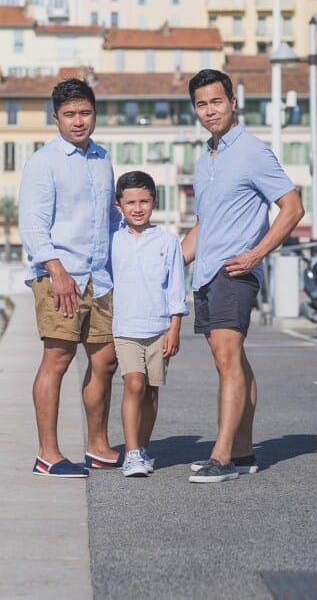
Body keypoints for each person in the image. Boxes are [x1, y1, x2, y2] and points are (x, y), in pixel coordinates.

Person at [182, 69, 305, 484]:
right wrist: (172, 262)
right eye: (201, 104)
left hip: (234, 271)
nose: (209, 110)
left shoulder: (253, 152)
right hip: (205, 272)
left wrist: (255, 254)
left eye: (217, 101)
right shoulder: (205, 160)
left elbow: (292, 207)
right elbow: (205, 223)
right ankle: (245, 450)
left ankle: (222, 457)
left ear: (233, 102)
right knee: (233, 362)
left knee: (227, 359)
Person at [19, 78, 122, 477]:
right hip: (60, 276)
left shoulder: (101, 158)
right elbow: (32, 224)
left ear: (94, 114)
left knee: (105, 360)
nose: (78, 121)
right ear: (56, 118)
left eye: (85, 113)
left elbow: (109, 220)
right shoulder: (44, 161)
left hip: (100, 276)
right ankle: (48, 454)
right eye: (69, 115)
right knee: (58, 359)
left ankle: (97, 446)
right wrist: (57, 272)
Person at [109, 170, 188, 478]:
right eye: (130, 203)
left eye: (144, 201)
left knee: (152, 392)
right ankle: (130, 454)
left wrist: (175, 328)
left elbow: (176, 288)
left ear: (154, 202)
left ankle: (142, 448)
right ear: (119, 206)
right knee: (134, 384)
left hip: (158, 328)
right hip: (125, 328)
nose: (137, 208)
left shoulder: (168, 242)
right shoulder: (113, 240)